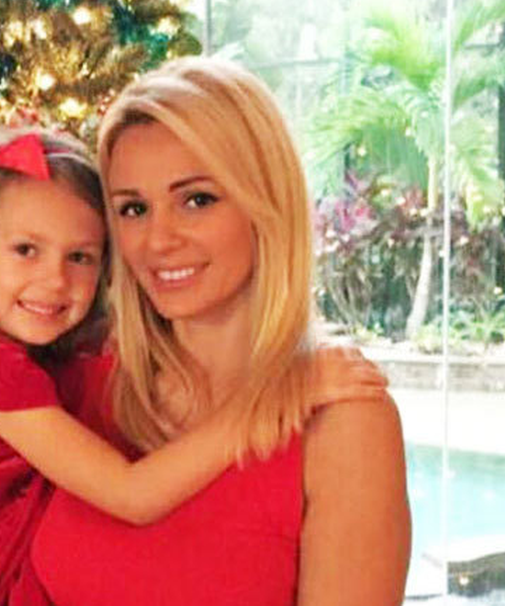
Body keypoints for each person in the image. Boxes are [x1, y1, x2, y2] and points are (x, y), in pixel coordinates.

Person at [0, 125, 389, 606]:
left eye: (80, 257)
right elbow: (132, 494)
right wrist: (266, 406)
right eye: (26, 250)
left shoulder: (56, 359)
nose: (55, 280)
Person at [29, 57, 412, 605]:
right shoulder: (79, 383)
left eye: (197, 200)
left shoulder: (344, 420)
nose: (158, 240)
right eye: (133, 209)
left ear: (266, 204)